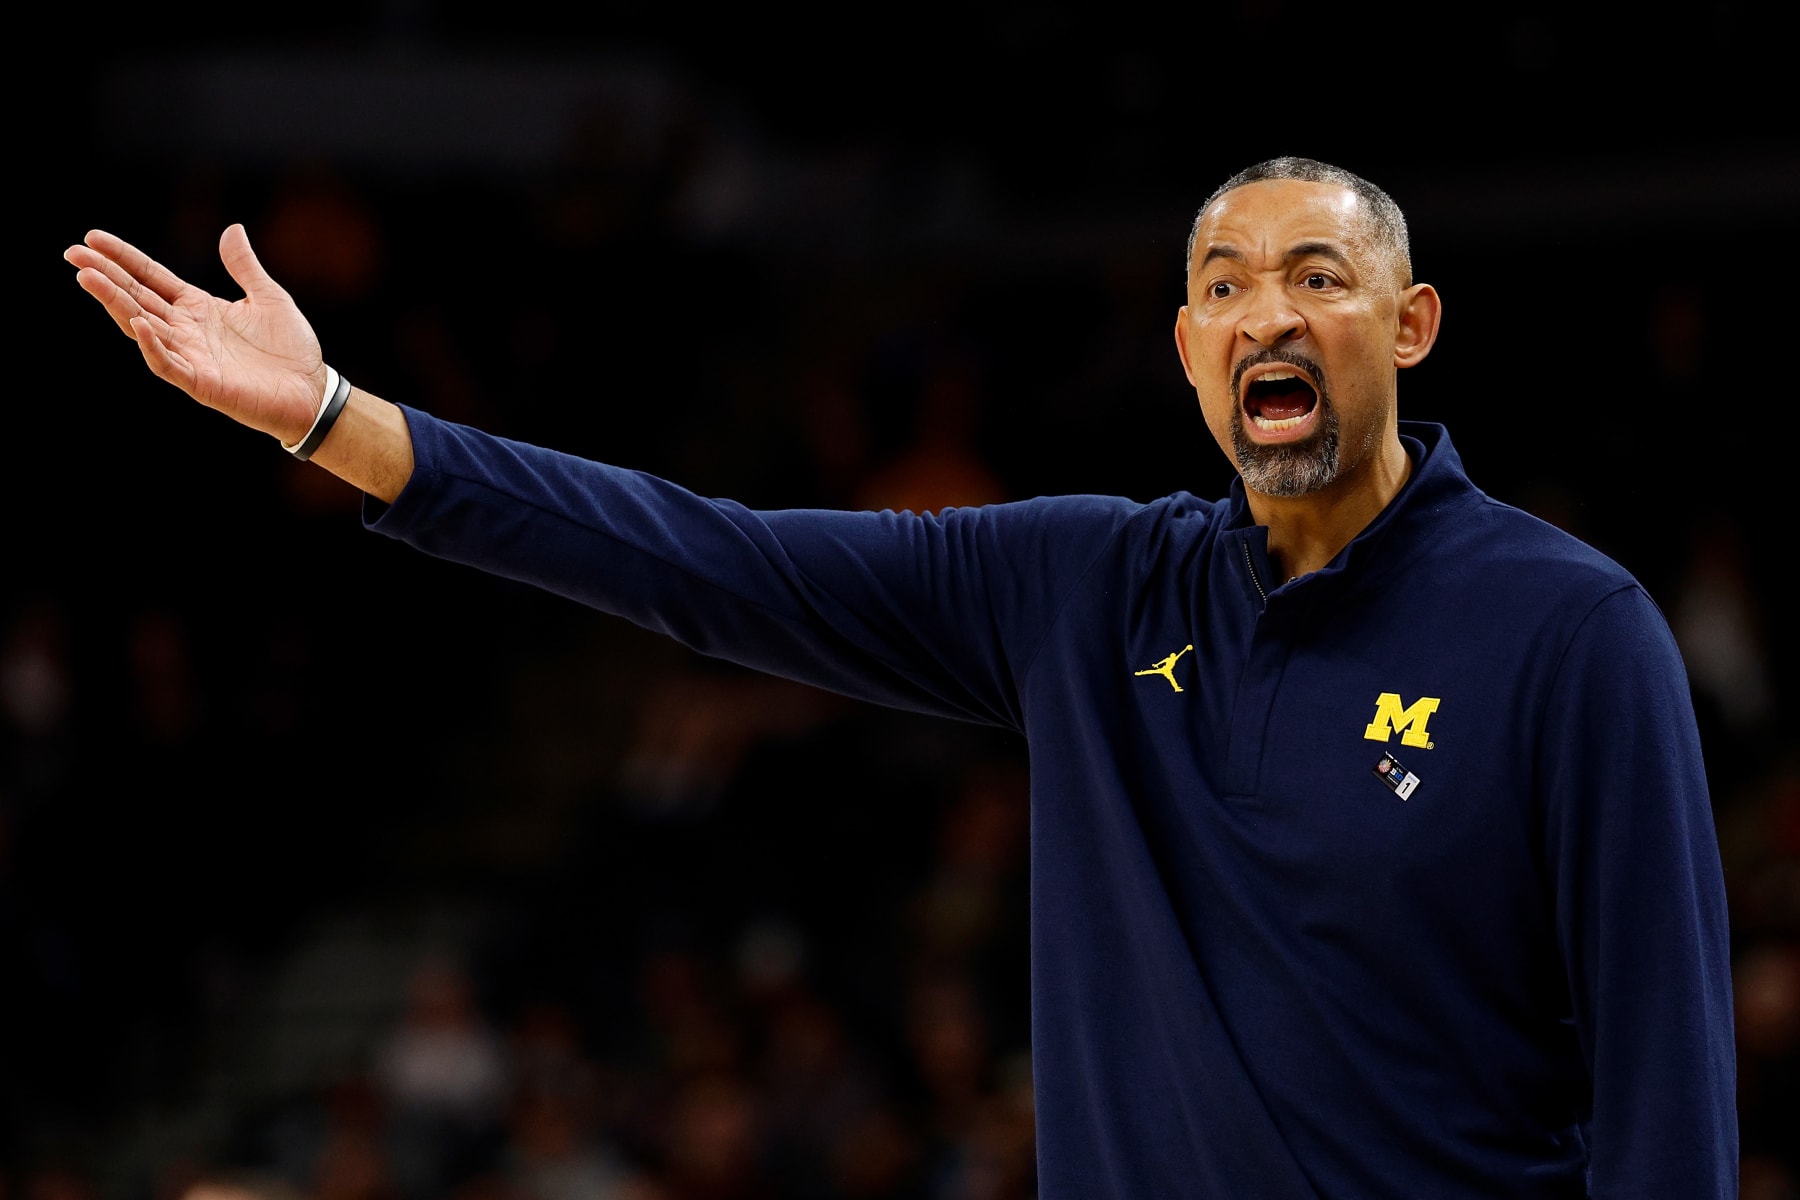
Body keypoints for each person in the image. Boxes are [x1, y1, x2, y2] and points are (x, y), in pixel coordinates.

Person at [65, 156, 1738, 1198]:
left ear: (1413, 323)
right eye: (1221, 286)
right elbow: (701, 556)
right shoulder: (1087, 583)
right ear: (1184, 351)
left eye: (1318, 277)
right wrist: (336, 420)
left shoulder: (1569, 631)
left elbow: (1668, 1079)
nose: (1263, 314)